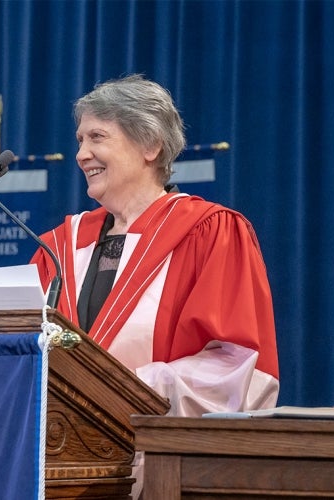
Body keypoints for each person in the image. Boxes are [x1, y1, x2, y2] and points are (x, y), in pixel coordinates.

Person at [30, 74, 279, 417]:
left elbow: (234, 367)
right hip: (61, 455)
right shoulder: (57, 248)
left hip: (159, 459)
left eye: (97, 138)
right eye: (80, 140)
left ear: (150, 145)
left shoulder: (209, 233)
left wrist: (117, 391)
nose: (81, 155)